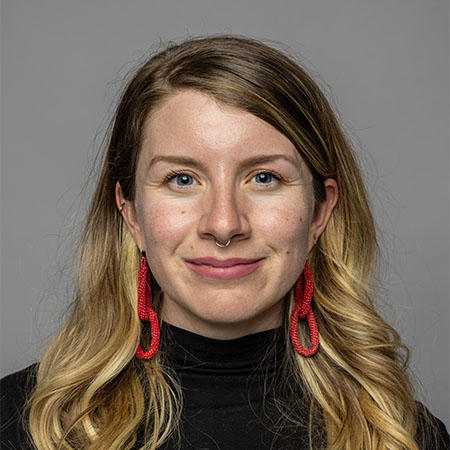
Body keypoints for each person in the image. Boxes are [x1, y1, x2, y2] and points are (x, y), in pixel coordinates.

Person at [1, 35, 448, 450]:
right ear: (131, 213)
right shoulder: (21, 425)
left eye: (264, 177)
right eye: (181, 179)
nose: (223, 224)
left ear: (319, 211)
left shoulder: (403, 436)